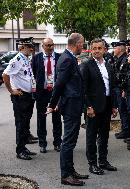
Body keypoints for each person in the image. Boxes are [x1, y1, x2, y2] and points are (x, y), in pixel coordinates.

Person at [46, 33, 89, 186]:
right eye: (82, 44)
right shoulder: (66, 59)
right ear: (76, 43)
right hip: (71, 106)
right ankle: (66, 175)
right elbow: (59, 85)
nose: (83, 46)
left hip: (74, 105)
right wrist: (52, 104)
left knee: (71, 140)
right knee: (68, 142)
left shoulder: (68, 57)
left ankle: (70, 170)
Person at [82, 38, 118, 175]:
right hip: (93, 107)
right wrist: (88, 107)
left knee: (104, 135)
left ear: (104, 50)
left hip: (107, 106)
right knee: (91, 136)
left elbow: (112, 86)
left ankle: (103, 161)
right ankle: (92, 163)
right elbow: (83, 89)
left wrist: (114, 105)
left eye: (99, 48)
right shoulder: (86, 65)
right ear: (91, 50)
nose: (97, 51)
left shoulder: (109, 65)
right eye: (94, 48)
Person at [2, 37, 37, 160]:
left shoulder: (25, 58)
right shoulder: (16, 59)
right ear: (21, 48)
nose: (31, 49)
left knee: (25, 122)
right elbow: (5, 75)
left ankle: (24, 147)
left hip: (28, 95)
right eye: (29, 47)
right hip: (20, 97)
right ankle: (20, 150)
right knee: (21, 123)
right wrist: (12, 90)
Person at [32, 38, 62, 153]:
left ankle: (57, 142)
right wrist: (35, 92)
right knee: (41, 119)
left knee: (57, 119)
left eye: (52, 45)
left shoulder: (59, 57)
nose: (50, 47)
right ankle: (42, 143)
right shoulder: (36, 58)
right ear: (42, 46)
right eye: (47, 45)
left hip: (55, 93)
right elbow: (33, 75)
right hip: (42, 93)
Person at [111, 41, 130, 139]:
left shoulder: (125, 60)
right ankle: (124, 129)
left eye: (115, 48)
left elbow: (126, 76)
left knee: (124, 110)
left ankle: (126, 131)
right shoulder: (118, 59)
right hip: (117, 88)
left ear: (119, 49)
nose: (113, 50)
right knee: (122, 110)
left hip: (122, 88)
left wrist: (124, 89)